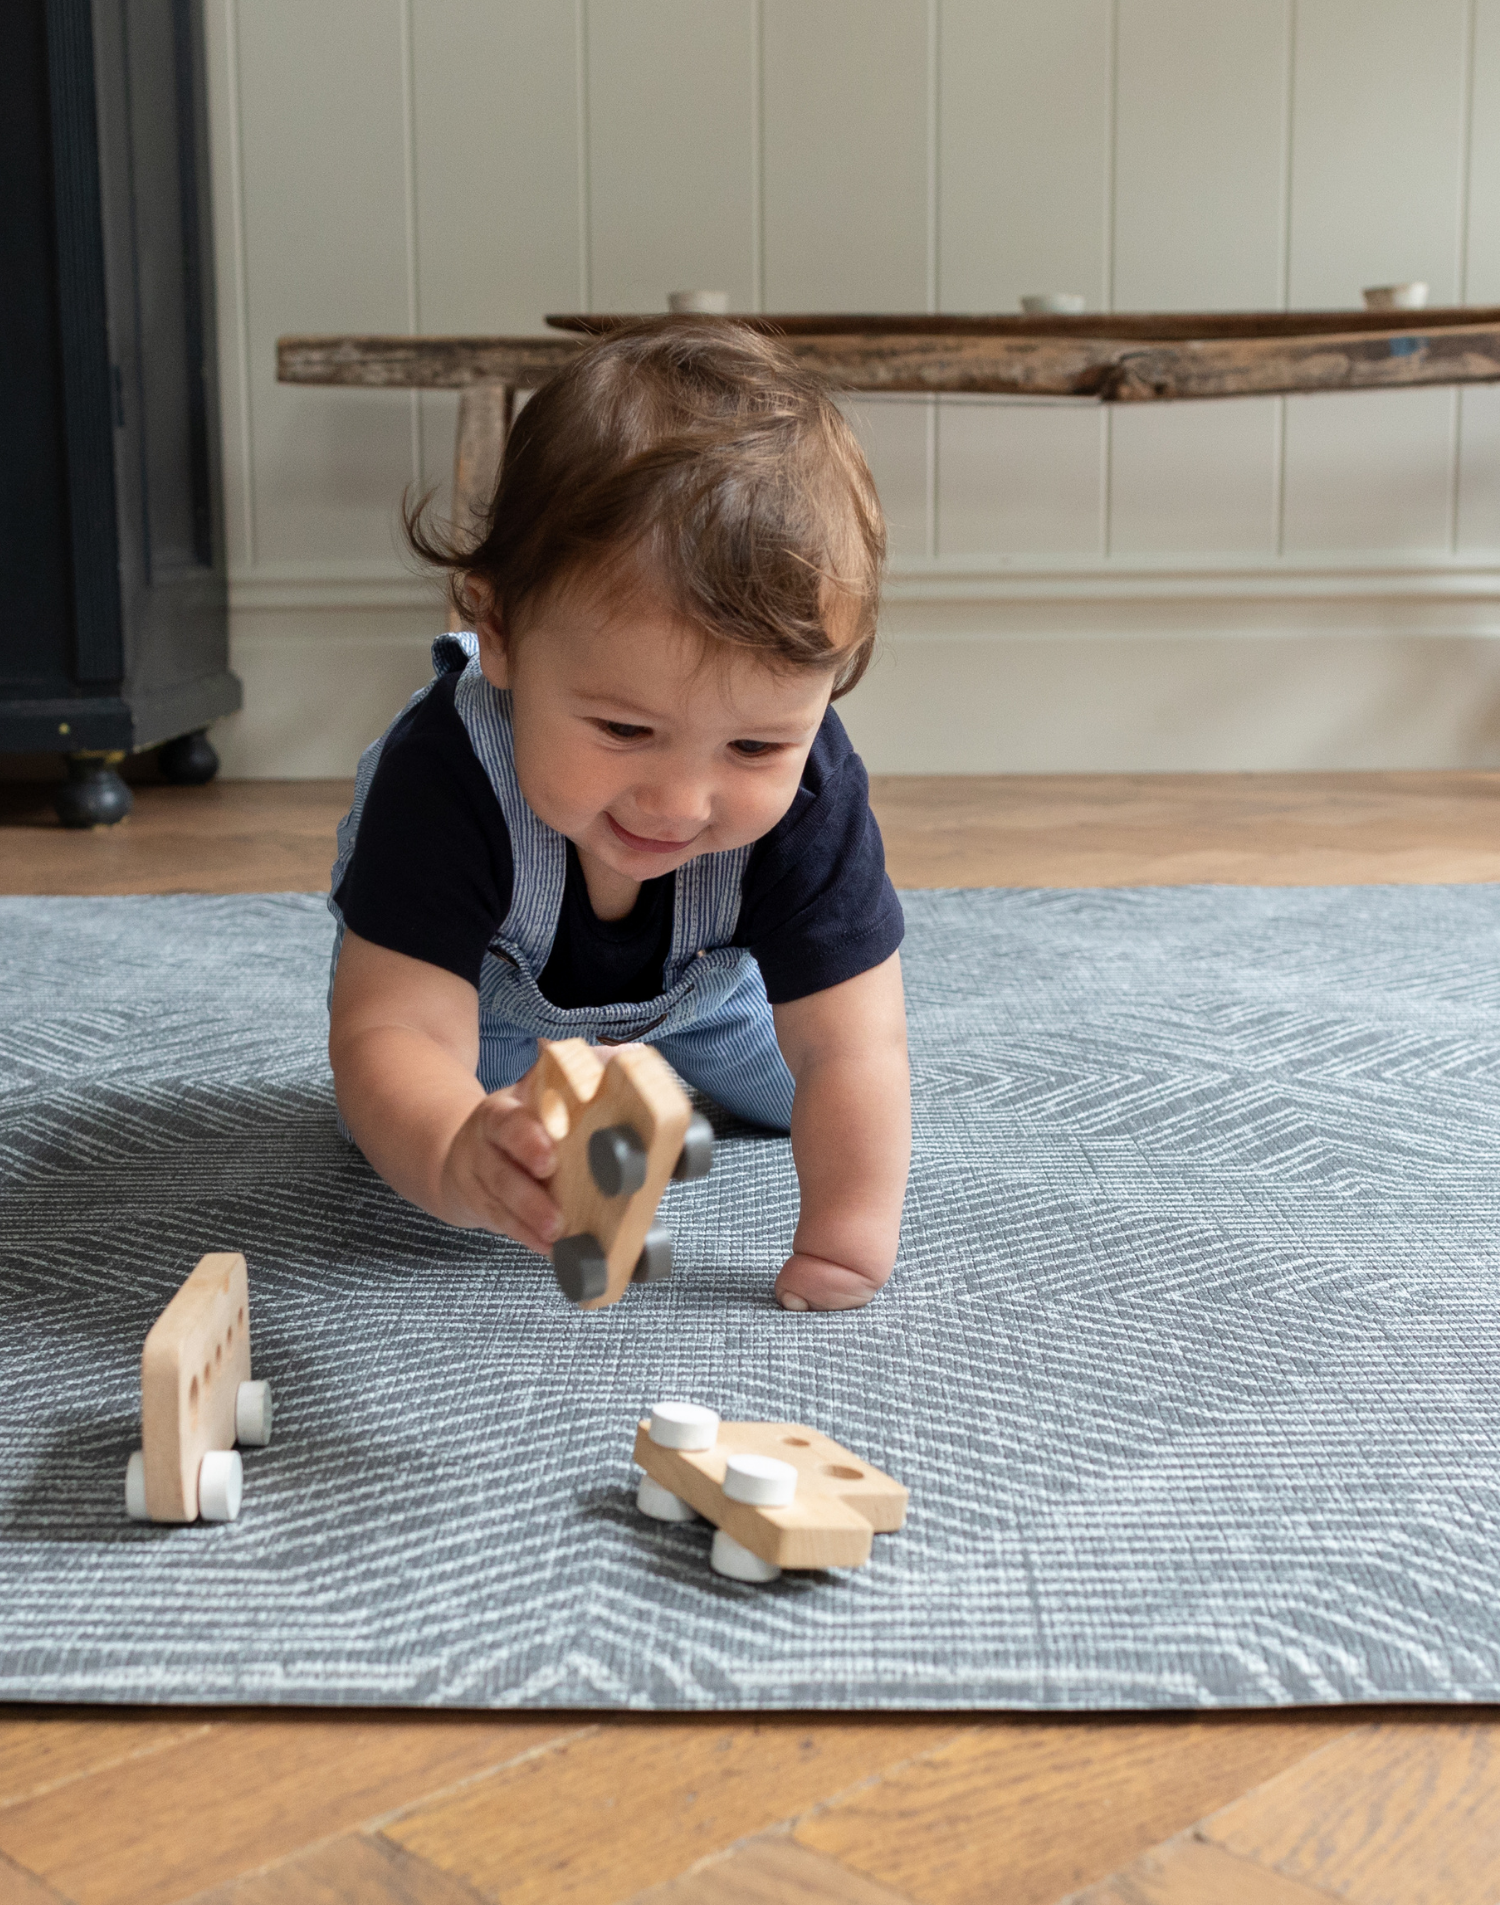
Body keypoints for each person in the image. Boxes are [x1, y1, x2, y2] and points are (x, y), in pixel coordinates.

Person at [327, 319, 909, 1311]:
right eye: (625, 729)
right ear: (499, 633)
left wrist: (847, 1238)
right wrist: (456, 1147)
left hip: (714, 998)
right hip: (495, 1013)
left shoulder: (813, 790)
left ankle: (658, 1069)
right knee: (411, 1126)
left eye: (753, 747)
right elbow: (393, 1030)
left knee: (815, 1092)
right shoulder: (444, 775)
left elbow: (852, 1045)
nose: (679, 803)